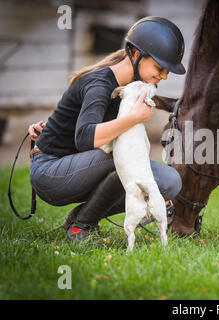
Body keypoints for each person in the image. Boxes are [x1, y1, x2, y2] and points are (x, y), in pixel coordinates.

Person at [27, 17, 185, 241]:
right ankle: (80, 228)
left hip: (76, 167)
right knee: (125, 157)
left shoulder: (130, 88)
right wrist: (133, 118)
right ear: (137, 54)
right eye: (160, 67)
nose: (164, 76)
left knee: (169, 181)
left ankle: (81, 217)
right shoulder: (100, 84)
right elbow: (84, 138)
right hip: (51, 173)